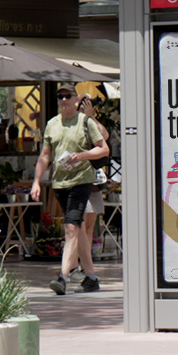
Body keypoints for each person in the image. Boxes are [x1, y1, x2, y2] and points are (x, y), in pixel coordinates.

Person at [31, 84, 109, 295]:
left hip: (82, 181)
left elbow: (104, 146)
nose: (63, 100)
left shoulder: (85, 121)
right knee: (79, 227)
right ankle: (91, 277)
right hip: (60, 183)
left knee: (71, 227)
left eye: (68, 96)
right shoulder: (52, 125)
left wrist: (81, 156)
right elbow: (45, 155)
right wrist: (36, 181)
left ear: (75, 99)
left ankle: (63, 276)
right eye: (60, 96)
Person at [77, 93, 114, 260]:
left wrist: (90, 117)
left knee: (90, 225)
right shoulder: (72, 124)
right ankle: (78, 260)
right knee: (80, 224)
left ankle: (87, 261)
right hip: (78, 180)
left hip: (94, 181)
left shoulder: (92, 123)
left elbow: (104, 135)